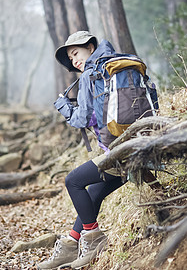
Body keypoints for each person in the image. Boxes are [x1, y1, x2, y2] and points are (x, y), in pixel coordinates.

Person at [37, 31, 127, 270]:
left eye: (76, 53)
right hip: (139, 143)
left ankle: (94, 239)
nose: (74, 60)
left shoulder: (90, 75)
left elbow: (82, 119)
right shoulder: (117, 65)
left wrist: (65, 109)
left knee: (73, 181)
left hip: (119, 153)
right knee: (95, 193)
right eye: (70, 57)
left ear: (90, 46)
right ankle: (70, 245)